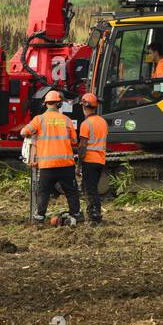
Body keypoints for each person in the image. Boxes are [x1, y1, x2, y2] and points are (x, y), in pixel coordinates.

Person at [22, 89, 80, 225]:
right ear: (59, 105)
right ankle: (76, 214)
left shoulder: (39, 119)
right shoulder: (66, 120)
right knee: (71, 192)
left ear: (45, 104)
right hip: (66, 164)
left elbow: (24, 132)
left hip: (47, 166)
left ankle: (39, 218)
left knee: (43, 193)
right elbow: (74, 141)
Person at [77, 92, 108, 224]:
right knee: (92, 187)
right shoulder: (103, 122)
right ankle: (94, 213)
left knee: (89, 189)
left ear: (85, 106)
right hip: (100, 160)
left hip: (89, 160)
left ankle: (94, 215)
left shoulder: (86, 124)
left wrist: (78, 165)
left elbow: (82, 147)